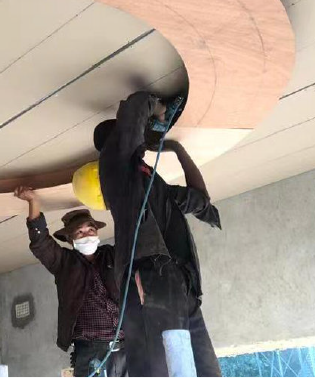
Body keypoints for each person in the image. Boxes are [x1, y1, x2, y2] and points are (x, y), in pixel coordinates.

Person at [95, 91, 222, 378]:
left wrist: (176, 148)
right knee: (169, 370)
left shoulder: (155, 187)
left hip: (174, 286)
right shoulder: (115, 169)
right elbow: (135, 109)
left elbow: (200, 199)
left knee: (189, 370)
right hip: (156, 280)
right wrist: (160, 110)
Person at [14, 186, 128, 378]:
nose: (87, 235)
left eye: (90, 230)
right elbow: (41, 243)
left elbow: (131, 236)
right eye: (80, 232)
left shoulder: (112, 255)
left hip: (125, 348)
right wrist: (33, 201)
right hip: (91, 351)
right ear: (70, 239)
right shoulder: (64, 263)